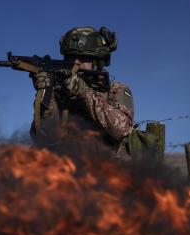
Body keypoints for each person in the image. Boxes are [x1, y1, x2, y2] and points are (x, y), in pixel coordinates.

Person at [29, 26, 134, 160]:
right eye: (71, 57)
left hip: (106, 169)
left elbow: (121, 129)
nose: (76, 62)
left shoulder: (116, 89)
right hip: (69, 169)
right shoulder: (60, 93)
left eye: (83, 58)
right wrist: (46, 92)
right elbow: (42, 138)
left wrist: (84, 92)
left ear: (97, 61)